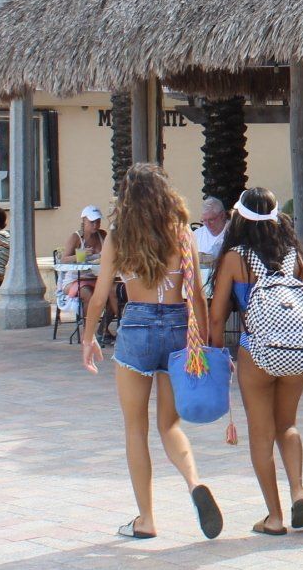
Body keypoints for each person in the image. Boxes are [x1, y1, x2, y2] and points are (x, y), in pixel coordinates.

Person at [79, 162, 224, 542]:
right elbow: (197, 295)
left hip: (138, 326)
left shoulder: (119, 238)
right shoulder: (182, 234)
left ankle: (146, 518)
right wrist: (203, 343)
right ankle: (194, 483)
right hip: (179, 327)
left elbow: (98, 296)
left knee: (135, 428)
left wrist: (89, 337)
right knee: (169, 424)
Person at [210, 187, 303, 536]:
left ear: (240, 217)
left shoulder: (234, 258)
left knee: (261, 433)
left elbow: (216, 317)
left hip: (256, 352)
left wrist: (215, 353)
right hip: (297, 352)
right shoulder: (293, 256)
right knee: (287, 425)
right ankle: (298, 491)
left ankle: (274, 516)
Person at [192, 196, 228, 268]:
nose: (207, 224)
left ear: (222, 215)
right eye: (204, 220)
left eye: (211, 220)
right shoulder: (197, 234)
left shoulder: (233, 232)